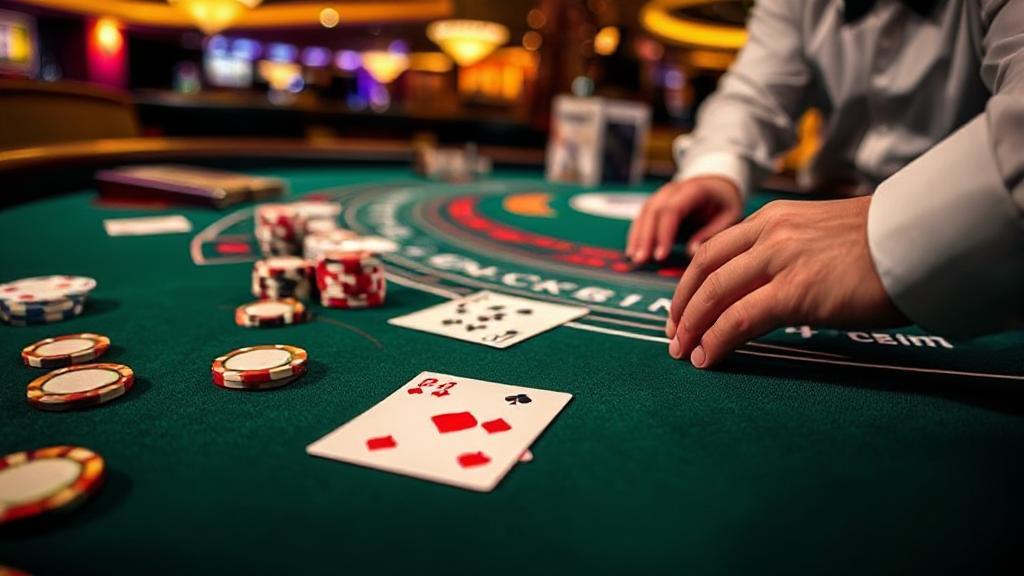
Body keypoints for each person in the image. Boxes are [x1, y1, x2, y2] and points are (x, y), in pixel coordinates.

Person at [626, 0, 1024, 369]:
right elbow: (754, 95)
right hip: (823, 204)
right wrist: (716, 170)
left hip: (966, 249)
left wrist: (881, 237)